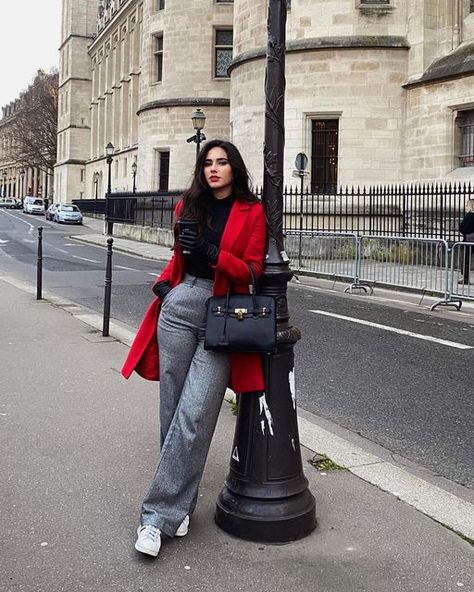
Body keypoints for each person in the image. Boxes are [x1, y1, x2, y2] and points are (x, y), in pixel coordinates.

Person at [121, 139, 267, 558]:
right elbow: (177, 258)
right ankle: (177, 506)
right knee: (172, 409)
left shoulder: (252, 211)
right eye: (208, 163)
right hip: (181, 306)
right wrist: (166, 287)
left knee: (196, 412)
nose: (214, 169)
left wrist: (213, 253)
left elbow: (254, 270)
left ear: (234, 168)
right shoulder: (187, 205)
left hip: (225, 314)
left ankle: (155, 517)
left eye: (222, 162)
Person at [458, 199, 474, 285]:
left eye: (467, 205)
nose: (466, 206)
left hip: (468, 241)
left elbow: (462, 228)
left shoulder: (469, 216)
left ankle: (466, 278)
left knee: (465, 260)